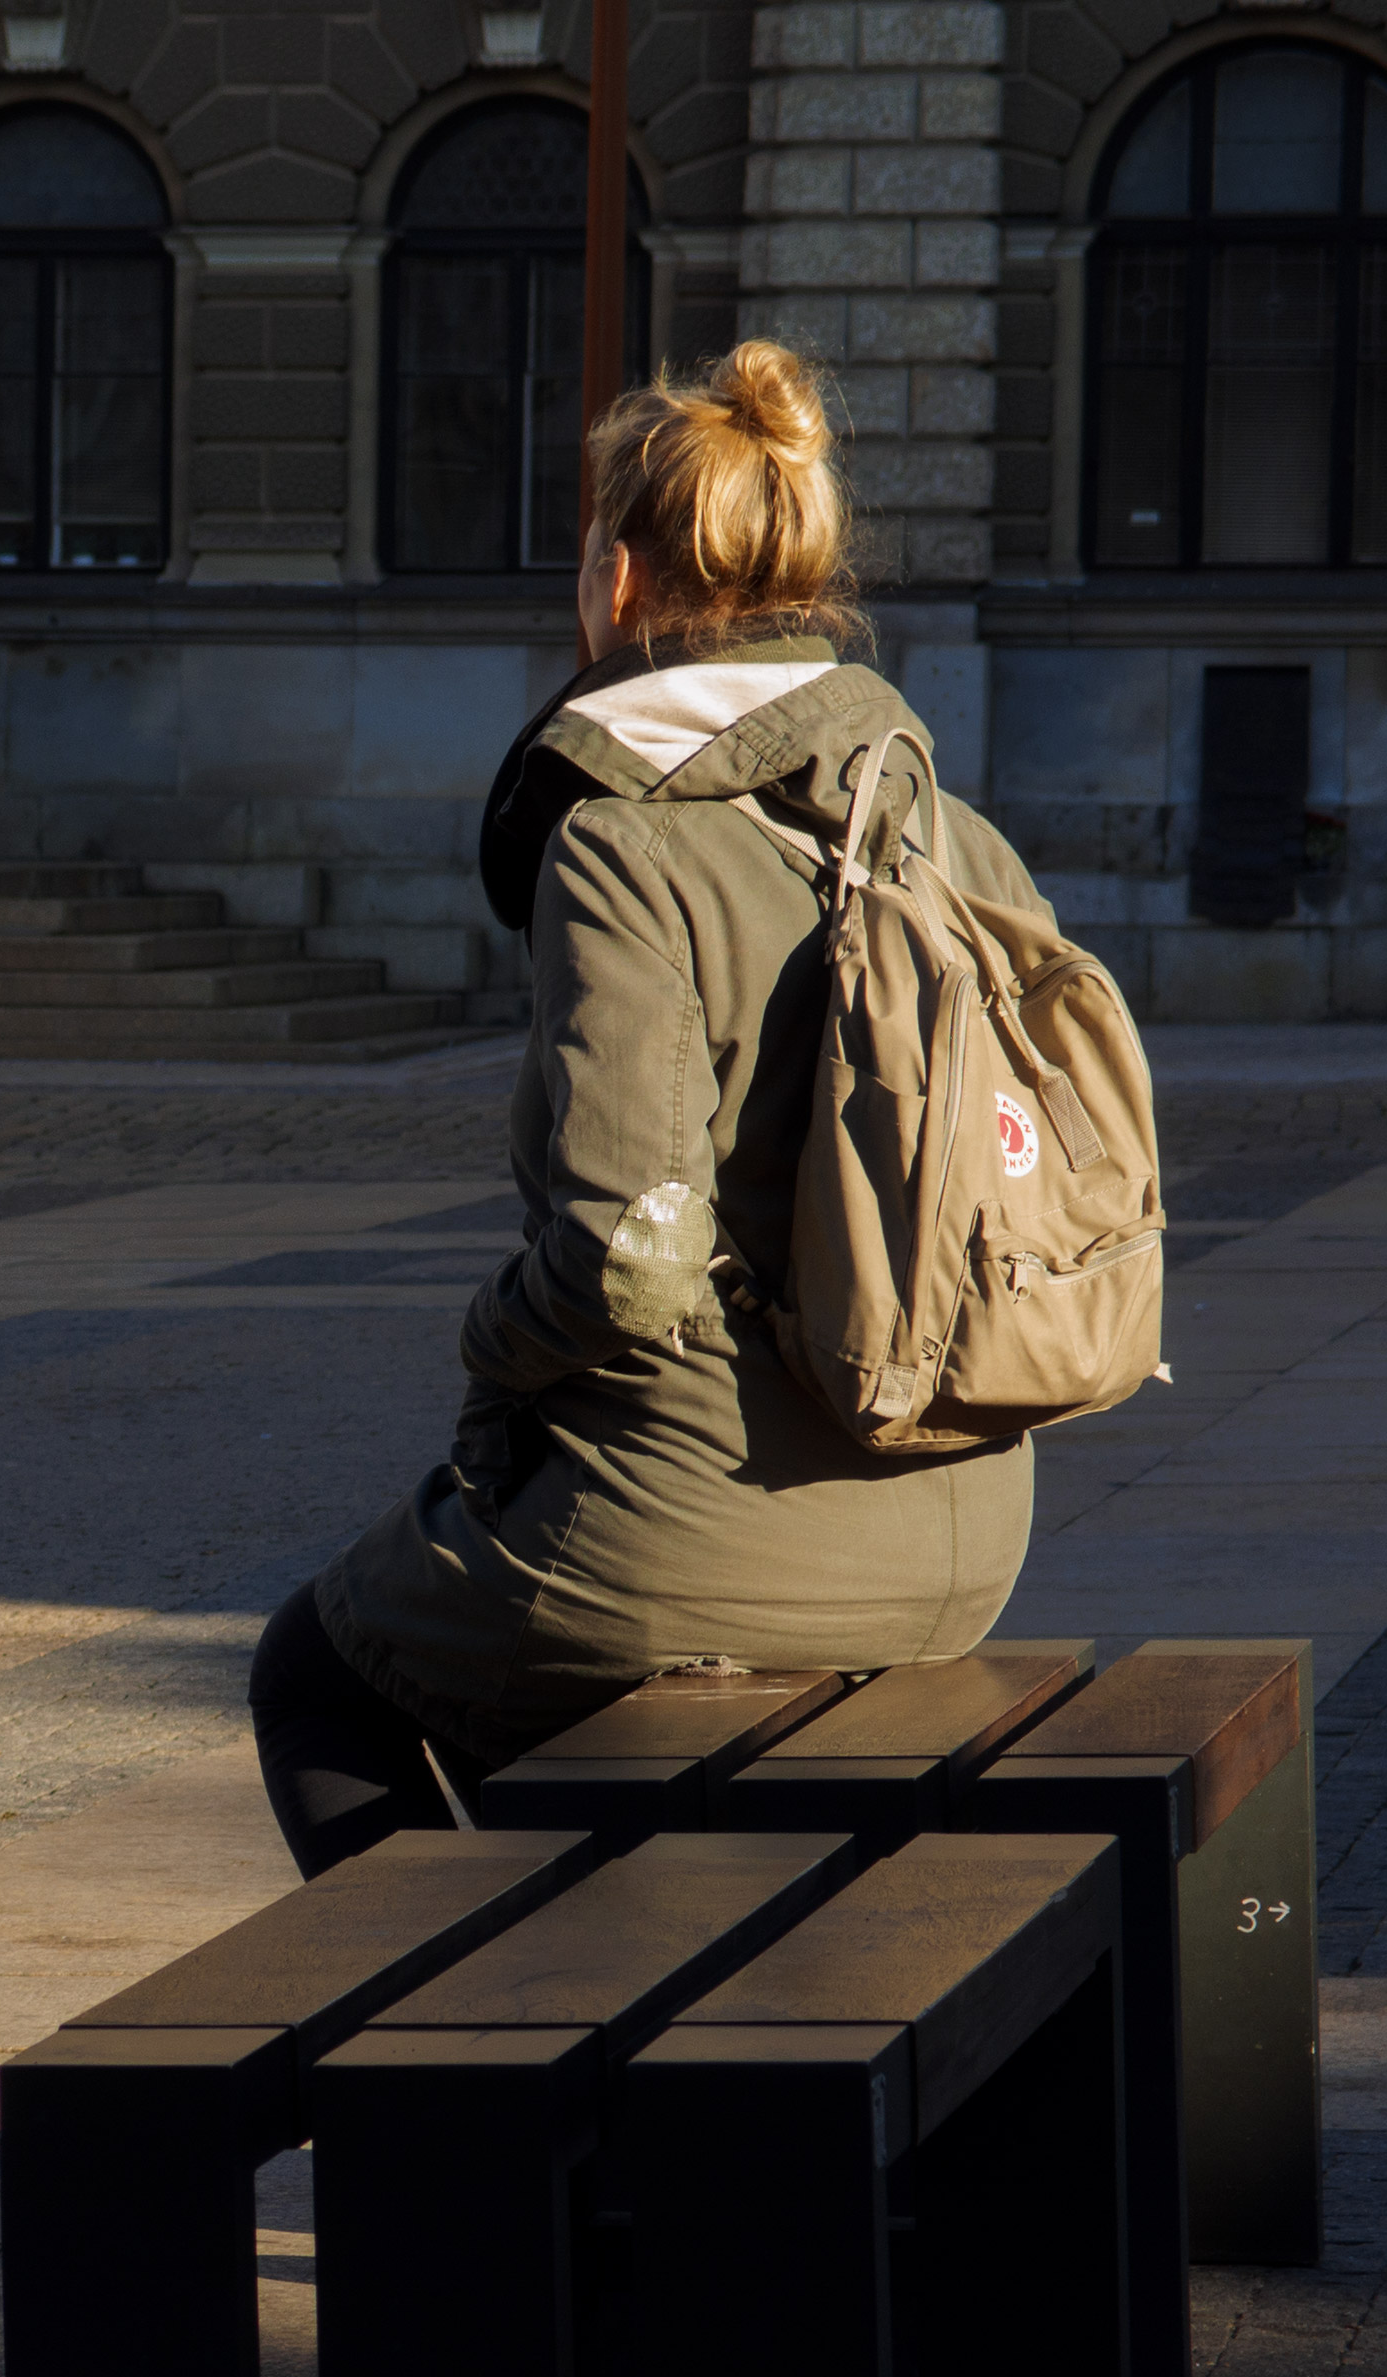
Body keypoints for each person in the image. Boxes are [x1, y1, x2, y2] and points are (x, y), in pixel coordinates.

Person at [252, 339, 1055, 1876]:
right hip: (966, 1540)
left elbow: (628, 1253)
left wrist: (489, 1338)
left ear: (619, 587)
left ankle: (466, 2068)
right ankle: (595, 2013)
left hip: (701, 1541)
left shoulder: (619, 848)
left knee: (316, 1665)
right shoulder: (948, 832)